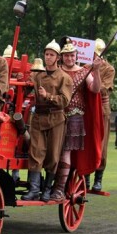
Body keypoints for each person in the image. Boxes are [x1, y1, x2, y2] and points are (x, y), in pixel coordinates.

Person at [49, 38, 102, 202]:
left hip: (75, 115)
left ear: (76, 56)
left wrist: (97, 70)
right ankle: (46, 185)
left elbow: (95, 89)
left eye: (72, 55)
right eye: (66, 56)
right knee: (50, 150)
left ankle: (58, 190)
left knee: (65, 151)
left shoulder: (84, 71)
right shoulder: (56, 72)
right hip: (55, 114)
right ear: (62, 57)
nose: (69, 58)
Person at [23, 40, 73, 201]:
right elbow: (27, 84)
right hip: (38, 117)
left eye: (52, 55)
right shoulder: (38, 75)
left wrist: (48, 96)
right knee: (35, 152)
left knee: (52, 155)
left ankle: (47, 189)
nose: (48, 57)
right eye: (46, 54)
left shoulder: (64, 78)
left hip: (56, 119)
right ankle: (34, 189)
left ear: (57, 58)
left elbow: (65, 101)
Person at [88, 38, 116, 191]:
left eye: (95, 54)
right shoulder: (85, 66)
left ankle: (98, 177)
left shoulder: (109, 69)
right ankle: (84, 176)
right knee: (84, 142)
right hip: (86, 108)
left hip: (101, 109)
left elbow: (103, 89)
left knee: (101, 143)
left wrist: (95, 76)